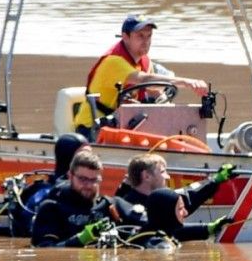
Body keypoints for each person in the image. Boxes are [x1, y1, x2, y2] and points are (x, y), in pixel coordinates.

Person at [76, 14, 210, 135]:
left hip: (121, 125)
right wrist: (187, 82)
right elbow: (144, 79)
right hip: (92, 128)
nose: (146, 41)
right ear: (125, 37)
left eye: (149, 36)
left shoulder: (144, 61)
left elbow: (153, 90)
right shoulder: (113, 62)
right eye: (140, 36)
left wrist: (172, 113)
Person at [31, 150, 138, 248]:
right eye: (83, 179)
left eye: (94, 180)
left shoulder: (110, 206)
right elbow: (44, 249)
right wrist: (80, 240)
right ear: (70, 176)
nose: (88, 185)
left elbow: (147, 227)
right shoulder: (52, 209)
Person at [0, 132, 90, 237]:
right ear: (68, 158)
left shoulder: (88, 191)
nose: (91, 160)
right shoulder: (44, 195)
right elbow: (34, 233)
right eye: (84, 156)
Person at [114, 153, 238, 215]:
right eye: (162, 172)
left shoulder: (165, 200)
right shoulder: (126, 208)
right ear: (146, 176)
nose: (167, 177)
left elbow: (189, 194)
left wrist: (216, 180)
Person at [134, 188, 232, 248]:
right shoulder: (161, 246)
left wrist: (210, 228)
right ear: (167, 214)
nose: (185, 213)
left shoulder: (149, 233)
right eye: (180, 209)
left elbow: (180, 233)